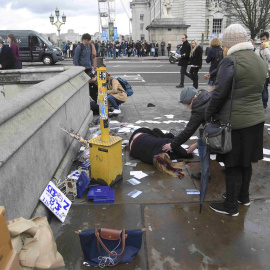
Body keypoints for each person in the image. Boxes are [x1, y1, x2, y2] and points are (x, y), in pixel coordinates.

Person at [205, 24, 267, 216]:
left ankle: (231, 206)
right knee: (246, 161)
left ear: (229, 44)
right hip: (256, 120)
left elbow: (219, 93)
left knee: (232, 164)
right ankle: (243, 197)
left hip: (235, 122)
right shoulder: (258, 60)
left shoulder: (231, 61)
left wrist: (208, 114)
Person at [162, 86, 211, 180]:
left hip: (219, 131)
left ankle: (205, 174)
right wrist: (197, 143)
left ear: (191, 101)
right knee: (201, 141)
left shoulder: (199, 108)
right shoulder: (204, 95)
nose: (187, 107)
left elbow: (188, 131)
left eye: (187, 104)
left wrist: (172, 145)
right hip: (223, 127)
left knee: (203, 147)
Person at [255, 32, 270, 109]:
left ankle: (264, 103)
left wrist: (265, 50)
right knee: (259, 88)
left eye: (263, 39)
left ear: (268, 39)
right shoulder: (258, 48)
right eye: (261, 39)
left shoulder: (268, 49)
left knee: (264, 88)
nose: (262, 41)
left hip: (266, 73)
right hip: (258, 72)